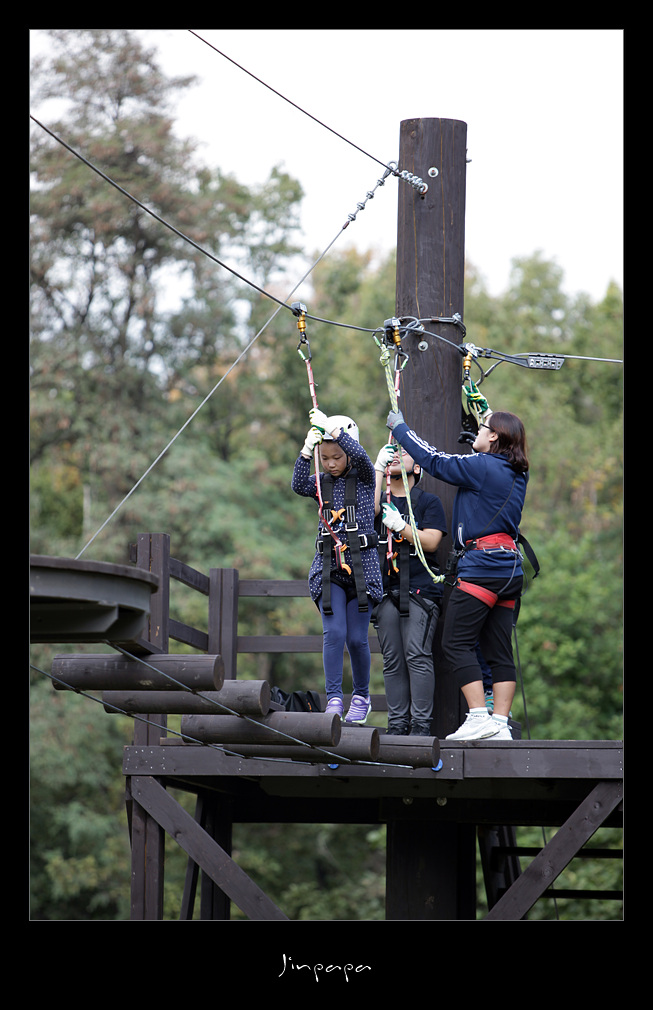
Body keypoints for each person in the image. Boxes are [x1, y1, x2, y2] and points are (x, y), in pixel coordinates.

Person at [386, 407, 529, 741]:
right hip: (509, 568)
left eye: (482, 428)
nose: (477, 431)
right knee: (499, 650)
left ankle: (478, 716)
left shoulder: (482, 466)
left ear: (493, 436)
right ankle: (499, 723)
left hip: (482, 567)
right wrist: (477, 444)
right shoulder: (517, 471)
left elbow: (434, 461)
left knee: (455, 642)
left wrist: (401, 428)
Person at [292, 408, 383, 724]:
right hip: (329, 568)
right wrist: (307, 450)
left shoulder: (365, 479)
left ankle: (361, 696)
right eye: (325, 458)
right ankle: (333, 697)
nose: (330, 464)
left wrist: (333, 429)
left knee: (357, 638)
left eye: (337, 457)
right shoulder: (321, 483)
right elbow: (297, 484)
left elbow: (361, 456)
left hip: (362, 569)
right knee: (334, 632)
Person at [372, 442, 447, 735]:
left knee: (416, 654)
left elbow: (432, 541)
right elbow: (368, 512)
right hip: (386, 590)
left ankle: (420, 727)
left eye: (403, 452)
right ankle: (397, 725)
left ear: (417, 467)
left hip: (420, 589)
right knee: (392, 660)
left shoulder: (428, 502)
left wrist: (401, 527)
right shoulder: (380, 502)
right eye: (392, 451)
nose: (395, 454)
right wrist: (378, 469)